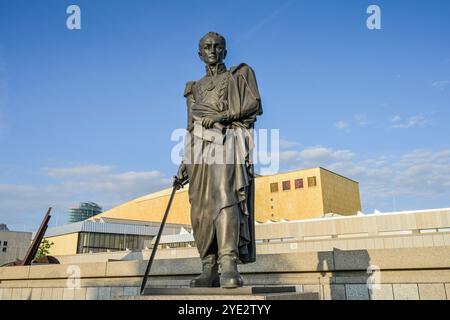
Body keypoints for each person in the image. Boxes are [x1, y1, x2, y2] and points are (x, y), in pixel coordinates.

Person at [174, 32, 262, 288]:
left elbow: (253, 105)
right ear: (199, 53)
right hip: (198, 148)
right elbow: (190, 125)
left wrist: (223, 117)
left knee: (225, 197)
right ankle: (208, 267)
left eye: (218, 47)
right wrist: (184, 161)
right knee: (200, 206)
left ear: (225, 51)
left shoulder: (238, 75)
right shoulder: (194, 87)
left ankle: (228, 264)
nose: (212, 50)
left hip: (226, 140)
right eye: (207, 47)